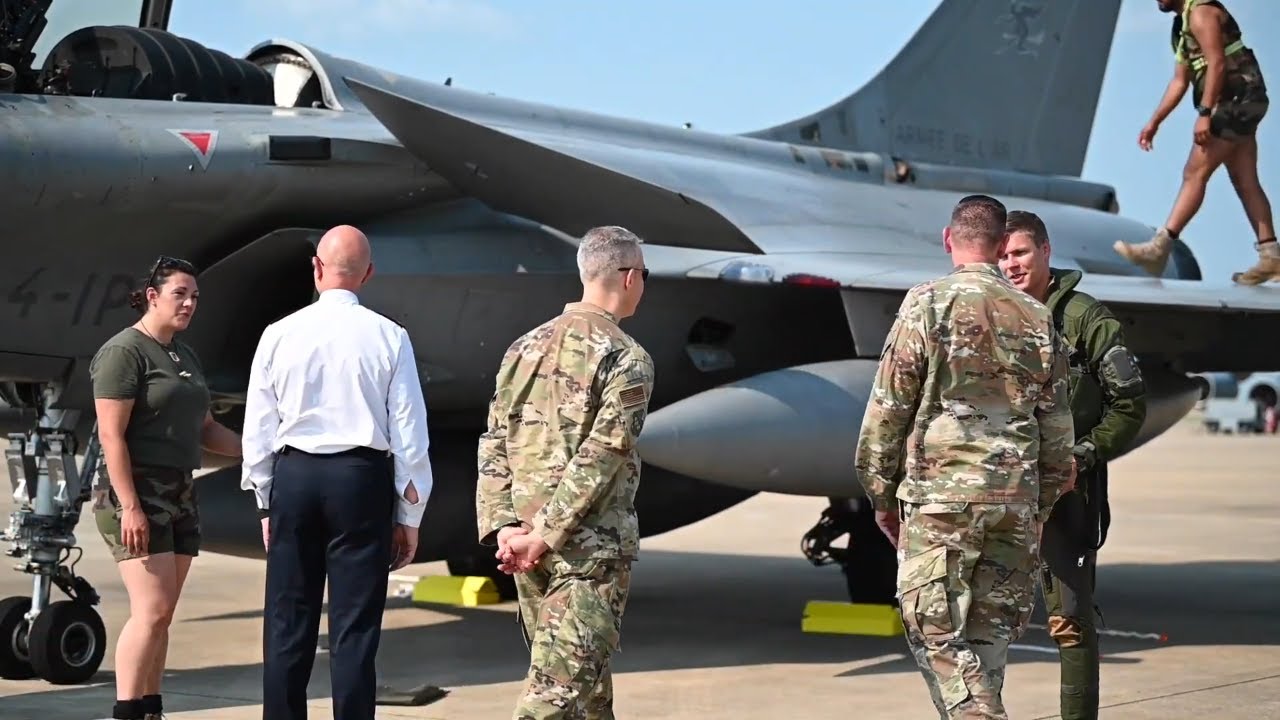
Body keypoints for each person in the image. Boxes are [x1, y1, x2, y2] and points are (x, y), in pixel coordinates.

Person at [853, 195, 1077, 720]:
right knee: (987, 644)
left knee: (931, 626)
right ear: (1002, 247)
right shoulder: (1039, 317)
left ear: (948, 239)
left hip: (943, 500)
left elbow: (887, 409)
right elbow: (1058, 433)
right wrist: (1037, 511)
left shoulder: (927, 304)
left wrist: (882, 497)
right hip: (1014, 504)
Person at [239, 224, 434, 720]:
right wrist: (410, 515)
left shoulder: (278, 334)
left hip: (296, 477)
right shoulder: (391, 336)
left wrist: (266, 499)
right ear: (368, 274)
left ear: (316, 269)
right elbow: (410, 434)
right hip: (359, 479)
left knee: (288, 621)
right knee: (354, 627)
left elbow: (258, 428)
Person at [475, 225, 656, 720]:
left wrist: (506, 527)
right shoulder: (625, 357)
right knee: (552, 698)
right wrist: (546, 537)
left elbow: (494, 440)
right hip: (586, 552)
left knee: (589, 695)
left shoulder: (522, 349)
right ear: (629, 277)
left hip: (529, 549)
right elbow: (603, 454)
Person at [1000, 211, 1148, 720]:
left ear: (1045, 250)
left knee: (1070, 623)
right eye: (1001, 255)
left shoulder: (1086, 318)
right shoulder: (991, 313)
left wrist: (1081, 457)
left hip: (1067, 492)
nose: (1010, 264)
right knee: (979, 619)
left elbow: (1129, 405)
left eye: (1019, 252)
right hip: (1001, 492)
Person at [89, 255, 243, 720]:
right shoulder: (124, 352)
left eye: (195, 296)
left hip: (179, 489)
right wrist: (131, 506)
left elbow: (207, 429)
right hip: (136, 491)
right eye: (180, 294)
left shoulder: (183, 353)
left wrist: (262, 448)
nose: (190, 303)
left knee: (162, 616)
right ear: (152, 296)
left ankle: (151, 707)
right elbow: (111, 436)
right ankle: (128, 711)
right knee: (151, 610)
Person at [1113, 0, 1277, 285]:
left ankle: (1160, 247)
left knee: (1195, 171)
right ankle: (1271, 255)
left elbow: (1217, 62)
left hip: (1237, 99)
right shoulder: (1182, 25)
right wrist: (1155, 122)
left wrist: (1205, 113)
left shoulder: (1202, 13)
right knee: (1245, 180)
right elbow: (1180, 81)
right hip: (1238, 101)